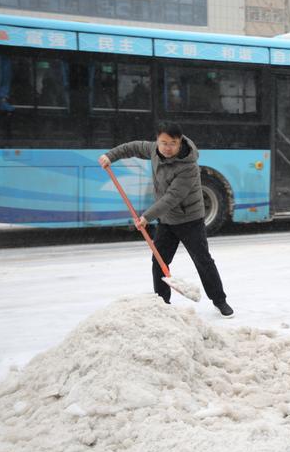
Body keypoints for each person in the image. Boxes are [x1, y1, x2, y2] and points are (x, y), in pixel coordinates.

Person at [98, 121, 234, 318]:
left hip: (190, 220)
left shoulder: (189, 166)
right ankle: (163, 303)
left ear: (180, 143)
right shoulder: (154, 150)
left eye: (172, 143)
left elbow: (172, 197)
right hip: (167, 220)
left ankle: (219, 300)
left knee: (202, 260)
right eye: (163, 143)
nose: (167, 148)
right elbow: (133, 147)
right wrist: (110, 156)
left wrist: (146, 217)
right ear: (157, 141)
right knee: (159, 261)